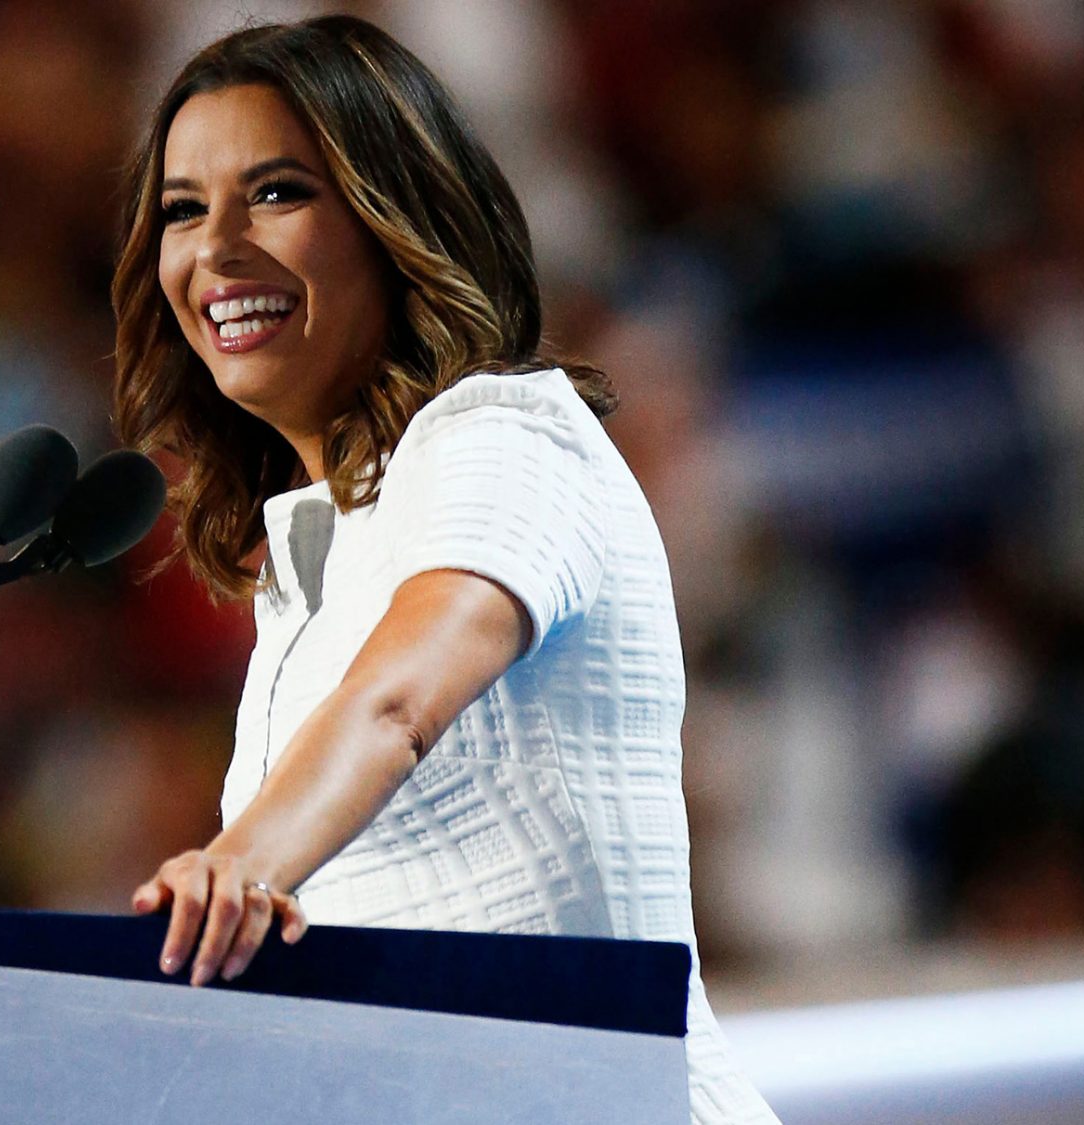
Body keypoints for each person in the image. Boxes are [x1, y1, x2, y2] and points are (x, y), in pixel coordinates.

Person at [111, 16, 778, 1124]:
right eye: (184, 209)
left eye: (275, 192)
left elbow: (395, 703)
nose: (215, 248)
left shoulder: (503, 434)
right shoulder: (303, 567)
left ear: (394, 217)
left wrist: (235, 864)